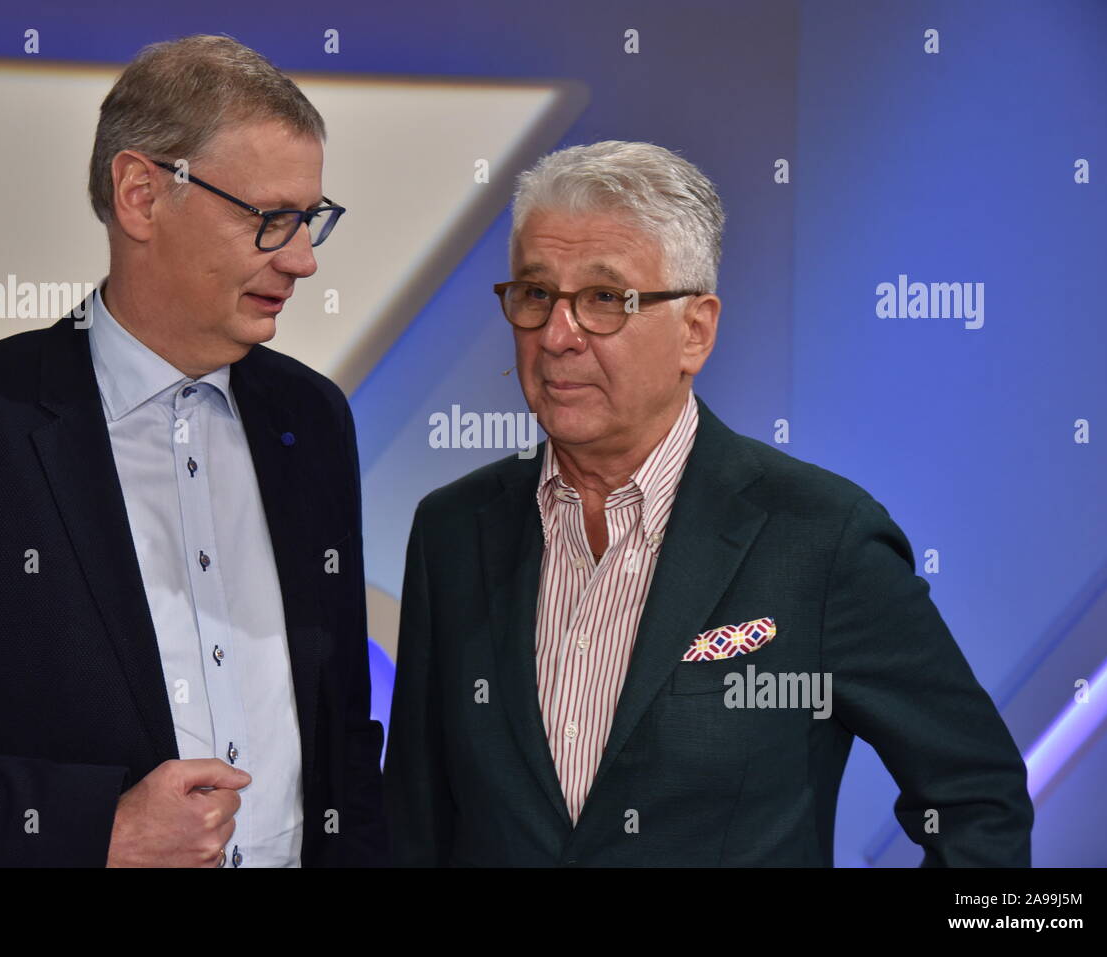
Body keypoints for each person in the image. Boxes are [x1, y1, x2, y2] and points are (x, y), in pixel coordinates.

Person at [383, 140, 1032, 866]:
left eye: (605, 299)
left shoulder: (821, 540)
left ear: (696, 329)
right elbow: (416, 824)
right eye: (536, 294)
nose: (558, 335)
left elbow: (977, 800)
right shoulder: (450, 530)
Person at [0, 34, 386, 867]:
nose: (303, 259)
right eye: (271, 219)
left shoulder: (312, 418)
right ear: (141, 194)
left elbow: (340, 724)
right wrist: (90, 830)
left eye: (310, 220)